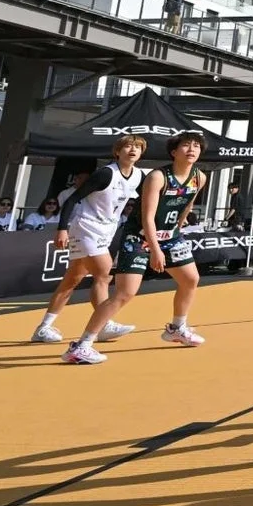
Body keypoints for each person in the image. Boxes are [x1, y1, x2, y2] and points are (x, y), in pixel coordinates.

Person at [75, 131, 209, 359]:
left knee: (190, 279)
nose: (192, 150)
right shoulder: (158, 176)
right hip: (139, 237)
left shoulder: (200, 177)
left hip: (170, 236)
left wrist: (177, 229)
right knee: (125, 293)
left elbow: (187, 205)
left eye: (196, 146)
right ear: (174, 152)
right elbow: (147, 217)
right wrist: (155, 249)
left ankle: (177, 328)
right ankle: (81, 345)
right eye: (186, 145)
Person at [30, 135, 145, 352]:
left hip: (106, 228)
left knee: (73, 278)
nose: (133, 149)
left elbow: (147, 197)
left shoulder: (138, 175)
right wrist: (62, 228)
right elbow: (73, 199)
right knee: (103, 274)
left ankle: (43, 328)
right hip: (85, 226)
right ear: (117, 151)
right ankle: (104, 325)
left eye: (137, 147)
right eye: (128, 146)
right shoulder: (106, 173)